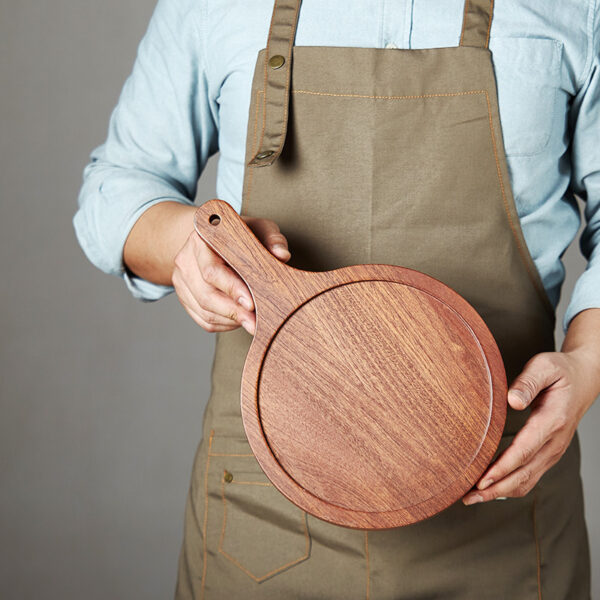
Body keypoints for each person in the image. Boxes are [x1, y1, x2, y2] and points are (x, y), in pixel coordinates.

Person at [74, 0, 600, 597]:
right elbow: (115, 190)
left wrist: (588, 362)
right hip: (266, 512)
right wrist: (183, 244)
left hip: (501, 494)